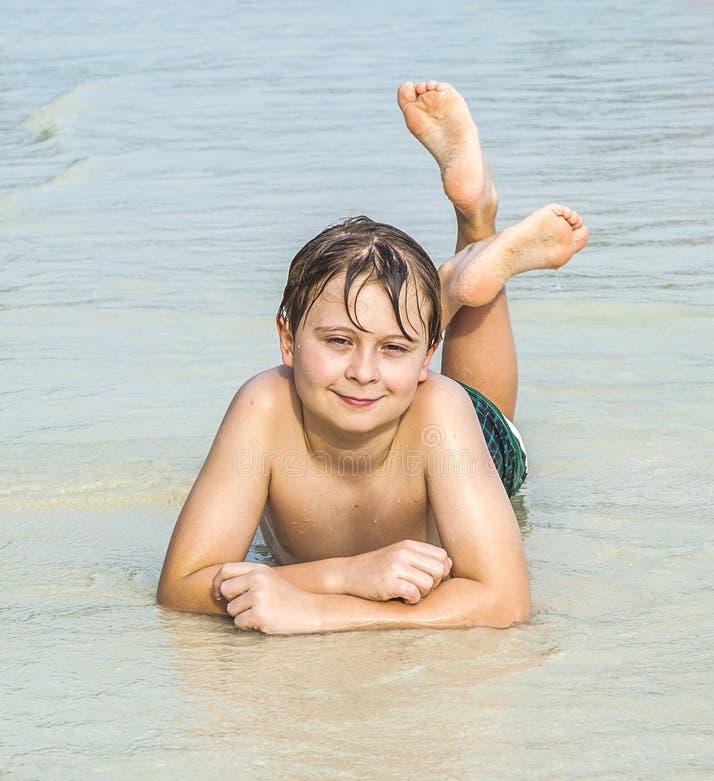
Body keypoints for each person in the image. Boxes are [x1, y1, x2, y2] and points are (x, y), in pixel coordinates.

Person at [157, 80, 589, 634]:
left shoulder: (439, 411)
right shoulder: (264, 406)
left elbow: (504, 602)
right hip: (407, 374)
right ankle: (449, 281)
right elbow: (179, 586)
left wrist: (319, 609)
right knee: (397, 322)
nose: (362, 372)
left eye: (394, 348)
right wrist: (348, 574)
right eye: (337, 341)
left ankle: (476, 224)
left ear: (428, 356)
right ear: (288, 340)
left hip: (456, 423)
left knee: (494, 418)